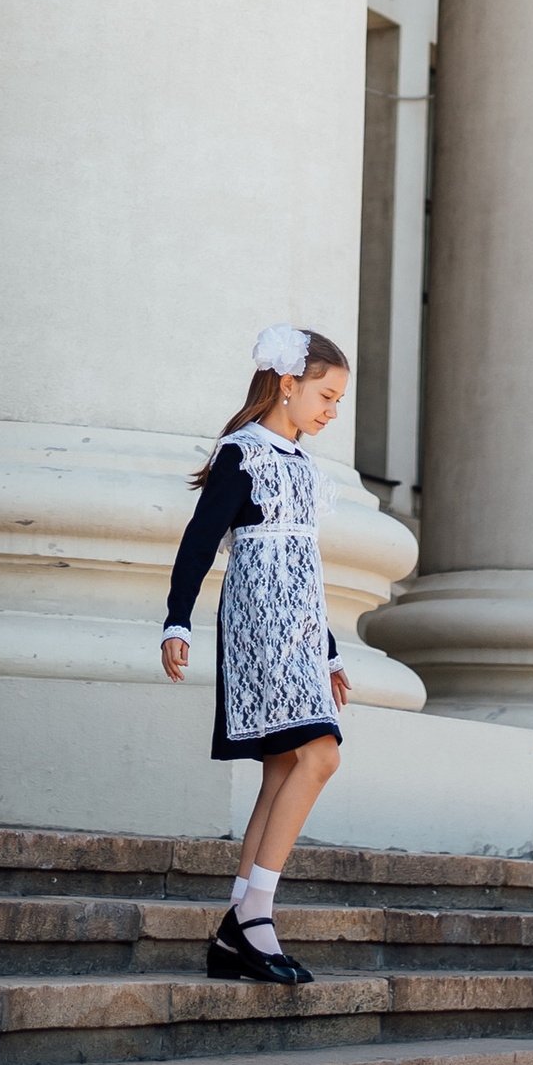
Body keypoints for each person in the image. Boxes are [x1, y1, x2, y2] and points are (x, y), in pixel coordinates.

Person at [161, 320, 353, 984]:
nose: (332, 411)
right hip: (259, 631)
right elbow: (199, 541)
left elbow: (307, 567)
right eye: (326, 396)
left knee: (283, 770)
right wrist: (176, 622)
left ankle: (235, 927)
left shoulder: (304, 465)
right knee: (319, 754)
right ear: (288, 384)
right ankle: (258, 917)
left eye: (339, 401)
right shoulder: (244, 455)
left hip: (301, 635)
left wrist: (328, 652)